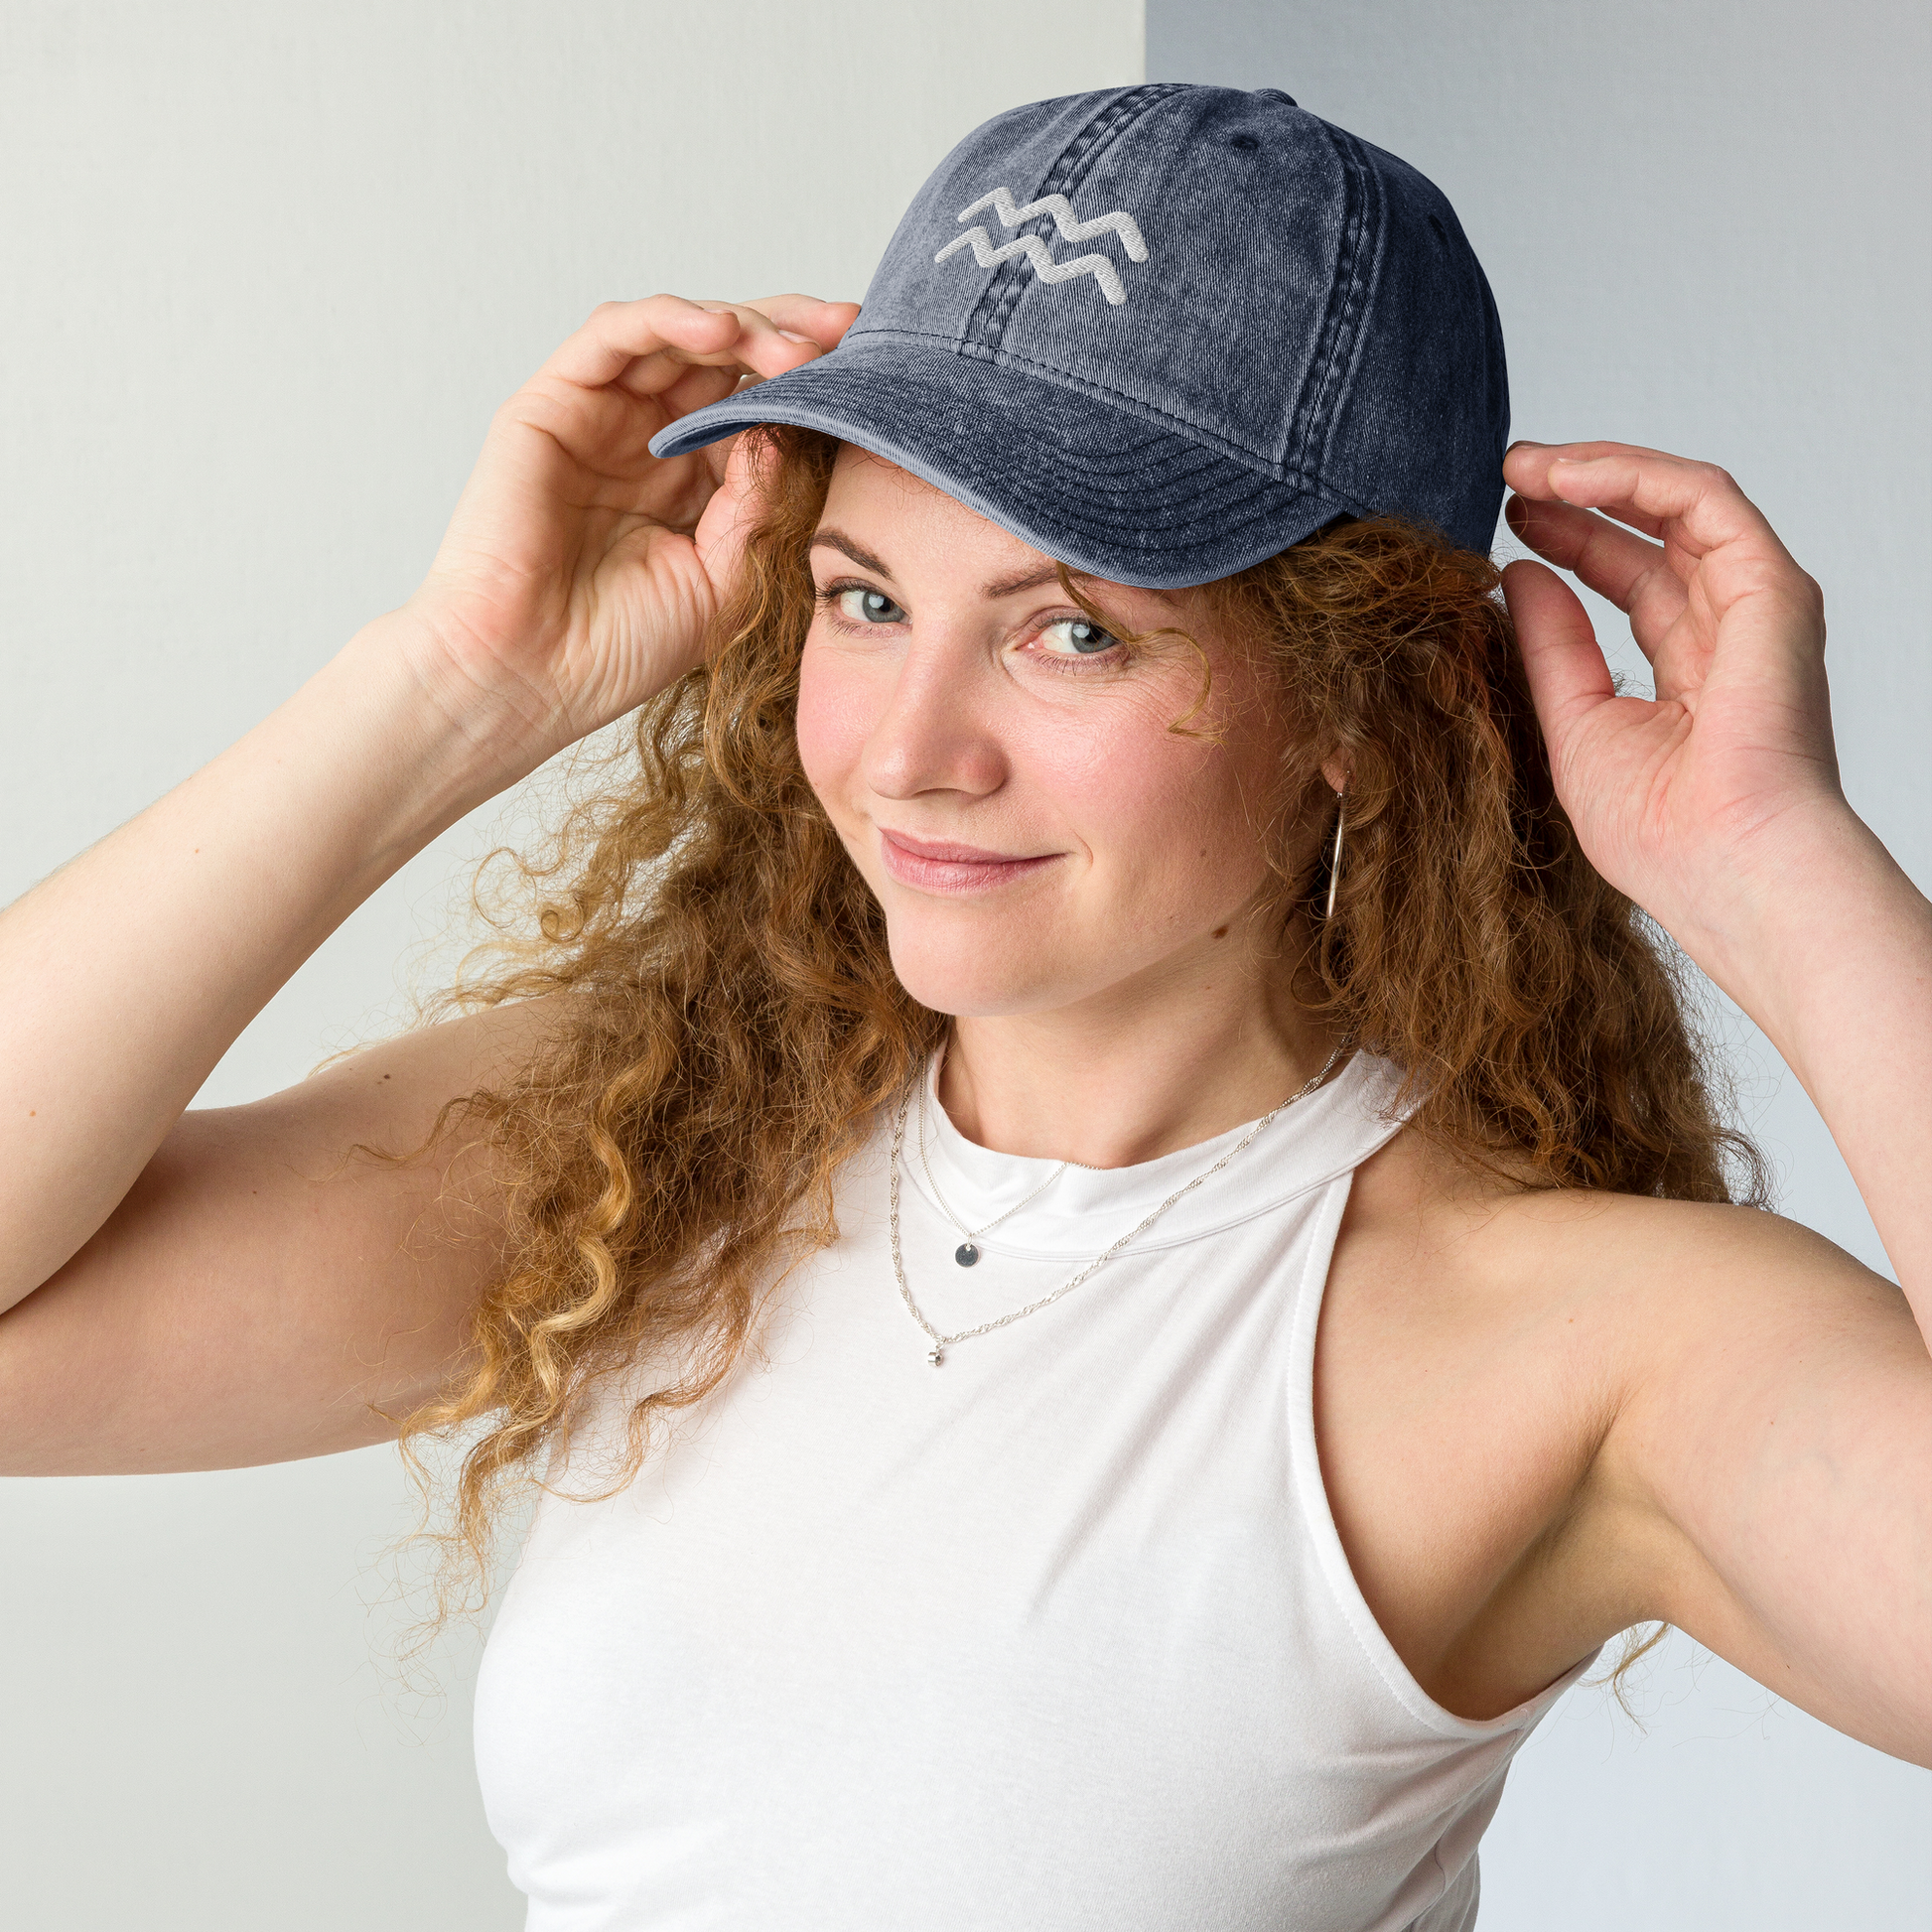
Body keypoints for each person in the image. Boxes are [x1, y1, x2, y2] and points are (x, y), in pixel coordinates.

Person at [0, 79, 1925, 1931]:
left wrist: (1772, 864)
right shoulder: (656, 1148)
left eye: (1067, 628)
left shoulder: (1568, 1342)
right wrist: (448, 683)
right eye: (861, 600)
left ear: (1360, 701)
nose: (913, 753)